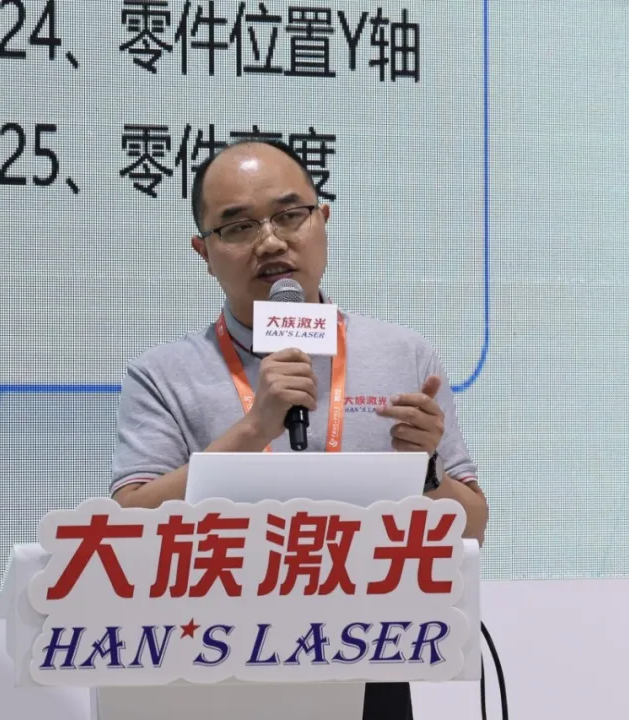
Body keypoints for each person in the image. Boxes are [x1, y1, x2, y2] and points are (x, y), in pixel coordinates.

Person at [110, 138, 488, 720]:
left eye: (290, 215)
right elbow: (125, 528)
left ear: (323, 221)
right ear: (203, 251)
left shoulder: (404, 354)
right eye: (238, 227)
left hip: (368, 658)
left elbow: (473, 526)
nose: (270, 242)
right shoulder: (162, 374)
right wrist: (253, 428)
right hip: (212, 664)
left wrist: (429, 472)